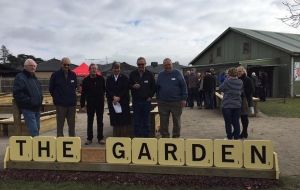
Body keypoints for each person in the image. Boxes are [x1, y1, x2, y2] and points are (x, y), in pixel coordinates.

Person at [156, 58, 188, 138]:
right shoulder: (160, 75)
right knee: (163, 122)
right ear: (163, 66)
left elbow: (184, 86)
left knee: (176, 121)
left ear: (172, 65)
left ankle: (176, 137)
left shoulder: (177, 73)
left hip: (176, 102)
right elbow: (157, 88)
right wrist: (158, 99)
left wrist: (184, 99)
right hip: (163, 103)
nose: (167, 66)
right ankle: (165, 137)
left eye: (169, 64)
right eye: (165, 65)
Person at [13, 59, 43, 136]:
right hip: (28, 108)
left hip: (37, 108)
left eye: (34, 66)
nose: (33, 67)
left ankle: (35, 145)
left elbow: (39, 91)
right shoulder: (20, 77)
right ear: (25, 66)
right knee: (34, 131)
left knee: (37, 128)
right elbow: (17, 93)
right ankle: (35, 146)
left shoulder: (34, 78)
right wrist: (30, 101)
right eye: (31, 66)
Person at [49, 57, 77, 137]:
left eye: (68, 65)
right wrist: (57, 99)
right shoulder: (55, 75)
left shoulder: (73, 74)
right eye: (65, 65)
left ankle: (72, 140)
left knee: (72, 125)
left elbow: (74, 87)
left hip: (71, 105)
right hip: (60, 105)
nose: (67, 66)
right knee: (60, 125)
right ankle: (60, 141)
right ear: (61, 64)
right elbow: (51, 89)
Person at [129, 57, 156, 137]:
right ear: (137, 65)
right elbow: (128, 85)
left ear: (145, 64)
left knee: (146, 121)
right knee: (136, 121)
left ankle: (146, 138)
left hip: (146, 101)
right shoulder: (132, 74)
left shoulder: (150, 74)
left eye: (142, 64)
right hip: (136, 101)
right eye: (139, 64)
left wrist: (150, 96)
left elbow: (153, 87)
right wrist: (133, 86)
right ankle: (137, 138)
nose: (141, 65)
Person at [80, 64, 105, 145]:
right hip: (90, 104)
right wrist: (82, 105)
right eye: (92, 68)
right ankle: (89, 138)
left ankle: (100, 138)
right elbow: (83, 93)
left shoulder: (101, 79)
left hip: (100, 103)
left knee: (100, 121)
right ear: (89, 70)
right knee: (90, 121)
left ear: (97, 70)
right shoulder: (85, 80)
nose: (94, 70)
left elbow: (105, 90)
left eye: (95, 69)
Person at [106, 62, 131, 137]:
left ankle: (124, 137)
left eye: (118, 68)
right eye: (115, 68)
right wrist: (113, 97)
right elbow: (108, 90)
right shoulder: (109, 79)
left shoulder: (125, 78)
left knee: (123, 121)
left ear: (120, 69)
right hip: (113, 102)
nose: (116, 70)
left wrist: (119, 97)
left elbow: (126, 89)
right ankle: (116, 137)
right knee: (115, 121)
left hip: (123, 102)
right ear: (112, 69)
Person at [219, 67, 243, 140]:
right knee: (236, 122)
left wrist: (227, 79)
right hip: (237, 104)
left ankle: (229, 137)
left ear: (229, 74)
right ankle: (236, 137)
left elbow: (221, 88)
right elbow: (241, 91)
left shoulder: (227, 81)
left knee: (228, 122)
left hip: (227, 104)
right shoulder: (240, 82)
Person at [237, 66, 254, 139]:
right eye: (237, 72)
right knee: (241, 117)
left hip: (246, 100)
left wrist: (242, 93)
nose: (238, 73)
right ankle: (242, 132)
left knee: (244, 117)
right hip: (238, 101)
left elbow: (251, 90)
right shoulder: (237, 79)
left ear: (243, 71)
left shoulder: (248, 79)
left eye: (240, 71)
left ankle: (244, 132)